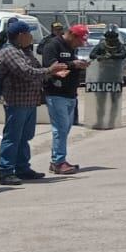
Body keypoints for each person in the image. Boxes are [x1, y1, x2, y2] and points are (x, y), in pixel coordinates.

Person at [0, 20, 70, 185]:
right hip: (16, 101)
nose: (31, 37)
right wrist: (50, 70)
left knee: (25, 137)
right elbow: (26, 72)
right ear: (21, 35)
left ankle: (22, 168)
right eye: (29, 34)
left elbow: (37, 68)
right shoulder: (9, 52)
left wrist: (53, 72)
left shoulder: (25, 51)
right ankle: (6, 171)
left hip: (30, 101)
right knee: (12, 137)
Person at [41, 23, 88, 175]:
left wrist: (79, 65)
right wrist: (72, 64)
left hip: (70, 93)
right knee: (60, 128)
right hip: (56, 93)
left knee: (65, 128)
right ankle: (59, 162)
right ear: (72, 35)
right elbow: (50, 66)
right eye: (79, 40)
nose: (80, 44)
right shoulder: (53, 45)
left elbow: (69, 65)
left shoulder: (71, 47)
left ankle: (57, 160)